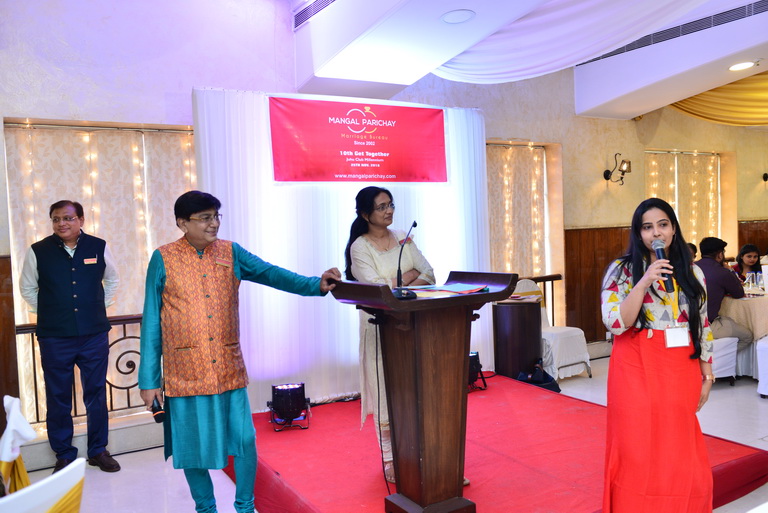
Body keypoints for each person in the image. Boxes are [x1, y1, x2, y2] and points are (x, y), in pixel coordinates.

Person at [138, 190, 340, 513]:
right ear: (182, 223)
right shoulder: (163, 258)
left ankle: (245, 506)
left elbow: (271, 273)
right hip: (185, 372)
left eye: (216, 216)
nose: (214, 223)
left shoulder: (230, 252)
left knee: (245, 441)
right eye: (205, 218)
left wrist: (315, 284)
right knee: (192, 449)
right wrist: (149, 380)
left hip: (227, 369)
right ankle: (206, 508)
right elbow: (151, 320)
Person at [601, 198, 714, 512]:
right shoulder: (621, 271)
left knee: (679, 444)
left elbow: (702, 325)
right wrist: (643, 282)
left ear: (673, 229)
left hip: (680, 368)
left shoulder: (692, 272)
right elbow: (615, 323)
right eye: (647, 227)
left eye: (662, 225)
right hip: (634, 368)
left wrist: (707, 375)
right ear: (638, 233)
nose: (656, 233)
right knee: (637, 444)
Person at [19, 200, 121, 474]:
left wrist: (98, 307)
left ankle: (98, 450)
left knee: (96, 393)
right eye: (56, 219)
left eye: (67, 218)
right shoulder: (38, 250)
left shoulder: (98, 246)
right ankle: (64, 454)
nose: (61, 223)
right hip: (55, 337)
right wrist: (51, 311)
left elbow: (112, 279)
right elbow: (27, 288)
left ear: (81, 220)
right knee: (58, 396)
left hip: (94, 335)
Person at [343, 186, 436, 484]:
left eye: (390, 204)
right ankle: (390, 462)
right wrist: (409, 277)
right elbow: (376, 289)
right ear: (365, 214)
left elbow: (429, 273)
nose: (389, 211)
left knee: (416, 393)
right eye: (381, 207)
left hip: (413, 323)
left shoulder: (403, 238)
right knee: (386, 393)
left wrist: (399, 283)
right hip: (379, 327)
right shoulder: (360, 247)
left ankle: (424, 458)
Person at [695, 237, 753, 350]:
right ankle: (718, 357)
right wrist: (730, 270)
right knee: (747, 336)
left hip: (686, 322)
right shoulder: (722, 272)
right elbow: (738, 293)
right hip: (707, 325)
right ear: (720, 255)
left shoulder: (690, 267)